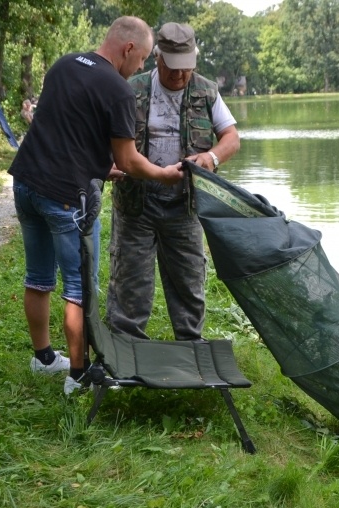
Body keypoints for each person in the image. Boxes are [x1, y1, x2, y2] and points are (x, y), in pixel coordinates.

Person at [8, 16, 184, 395]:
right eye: (143, 60)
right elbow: (131, 160)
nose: (141, 68)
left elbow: (66, 130)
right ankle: (79, 374)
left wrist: (101, 167)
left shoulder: (64, 64)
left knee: (38, 277)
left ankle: (43, 358)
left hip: (26, 182)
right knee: (79, 287)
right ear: (128, 48)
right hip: (66, 196)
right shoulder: (118, 91)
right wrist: (163, 174)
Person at [107, 22, 241, 342]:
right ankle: (125, 353)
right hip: (135, 202)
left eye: (187, 68)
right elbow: (104, 138)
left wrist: (211, 158)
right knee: (130, 282)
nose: (180, 76)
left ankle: (191, 349)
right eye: (173, 68)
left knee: (189, 283)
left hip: (185, 204)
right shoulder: (130, 88)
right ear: (157, 58)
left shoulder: (207, 91)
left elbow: (231, 138)